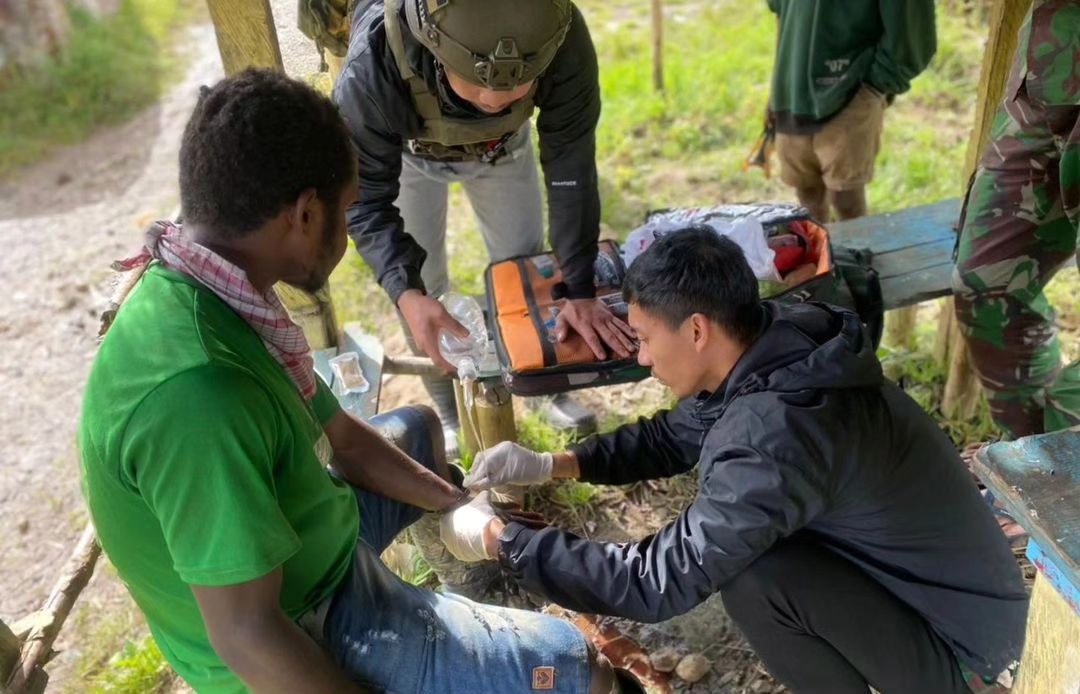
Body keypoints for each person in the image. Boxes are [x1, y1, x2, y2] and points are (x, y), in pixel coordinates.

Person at [78, 69, 618, 694]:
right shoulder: (200, 393)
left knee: (417, 430)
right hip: (294, 625)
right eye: (349, 206)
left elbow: (342, 436)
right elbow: (248, 635)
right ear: (306, 214)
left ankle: (447, 598)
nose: (351, 228)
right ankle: (411, 643)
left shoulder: (213, 285)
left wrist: (457, 506)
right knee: (582, 672)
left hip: (298, 539)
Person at [451, 229, 1029, 693]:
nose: (644, 359)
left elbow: (657, 582)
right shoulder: (778, 341)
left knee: (755, 579)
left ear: (698, 329)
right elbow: (673, 437)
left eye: (646, 339)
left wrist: (504, 541)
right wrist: (550, 463)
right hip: (953, 597)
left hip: (966, 655)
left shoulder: (774, 435)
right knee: (754, 555)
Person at [331, 0, 635, 439]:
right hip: (411, 155)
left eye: (517, 90)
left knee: (525, 265)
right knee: (423, 288)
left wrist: (581, 287)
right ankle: (450, 410)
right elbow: (365, 201)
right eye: (474, 87)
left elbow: (572, 164)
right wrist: (405, 292)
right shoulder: (373, 65)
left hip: (505, 151)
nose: (494, 100)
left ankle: (548, 388)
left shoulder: (561, 36)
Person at [953, 0, 1080, 440]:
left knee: (1075, 398)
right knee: (987, 285)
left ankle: (1055, 493)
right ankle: (1026, 461)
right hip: (1054, 56)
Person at [766, 0, 936, 222]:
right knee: (806, 195)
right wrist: (777, 91)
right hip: (791, 93)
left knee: (846, 198)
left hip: (850, 92)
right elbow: (782, 13)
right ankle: (821, 254)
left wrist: (873, 86)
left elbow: (913, 38)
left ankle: (856, 251)